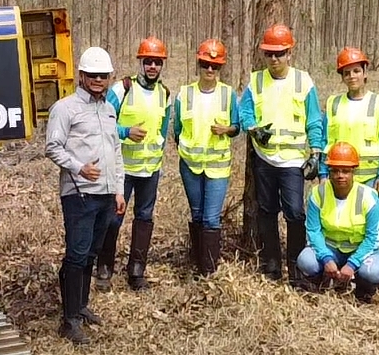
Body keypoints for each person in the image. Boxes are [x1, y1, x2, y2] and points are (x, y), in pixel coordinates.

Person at [44, 46, 127, 344]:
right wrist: (79, 167)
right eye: (92, 75)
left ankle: (80, 306)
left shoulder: (108, 110)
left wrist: (119, 190)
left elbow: (116, 151)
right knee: (77, 254)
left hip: (106, 194)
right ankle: (69, 321)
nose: (98, 80)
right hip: (78, 194)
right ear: (81, 75)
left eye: (103, 76)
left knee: (91, 252)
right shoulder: (65, 108)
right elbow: (52, 147)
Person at [239, 24, 325, 282]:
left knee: (295, 213)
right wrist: (253, 128)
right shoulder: (256, 81)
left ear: (290, 53)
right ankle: (271, 265)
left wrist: (316, 153)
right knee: (266, 211)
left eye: (279, 53)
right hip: (264, 159)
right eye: (269, 54)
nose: (274, 59)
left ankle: (297, 268)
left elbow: (314, 120)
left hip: (293, 162)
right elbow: (245, 112)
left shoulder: (303, 81)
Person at [96, 36, 171, 291]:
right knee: (113, 218)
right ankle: (104, 268)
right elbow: (102, 123)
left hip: (150, 169)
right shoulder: (122, 89)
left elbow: (163, 129)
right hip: (123, 169)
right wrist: (126, 132)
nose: (152, 66)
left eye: (157, 62)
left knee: (144, 218)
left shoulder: (164, 94)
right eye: (148, 61)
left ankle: (137, 271)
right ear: (141, 62)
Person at [170, 39, 240, 276]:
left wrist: (227, 129)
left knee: (211, 218)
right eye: (205, 64)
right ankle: (197, 261)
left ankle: (208, 271)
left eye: (215, 66)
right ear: (198, 64)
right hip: (190, 165)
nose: (210, 69)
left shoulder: (228, 94)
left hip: (217, 168)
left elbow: (237, 127)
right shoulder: (184, 94)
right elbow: (177, 130)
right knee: (197, 214)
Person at [297, 142, 379, 303]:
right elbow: (313, 231)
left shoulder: (369, 197)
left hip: (361, 249)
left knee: (374, 272)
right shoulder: (318, 194)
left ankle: (363, 290)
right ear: (329, 171)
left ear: (354, 172)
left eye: (346, 171)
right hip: (330, 248)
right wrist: (326, 258)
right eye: (335, 170)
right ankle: (321, 281)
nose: (340, 175)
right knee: (306, 261)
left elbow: (373, 238)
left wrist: (352, 263)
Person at [319, 47, 379, 196]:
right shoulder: (333, 103)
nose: (352, 76)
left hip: (370, 178)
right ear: (342, 77)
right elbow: (325, 141)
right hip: (339, 178)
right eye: (347, 73)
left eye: (356, 71)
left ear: (365, 73)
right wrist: (322, 173)